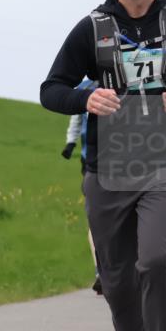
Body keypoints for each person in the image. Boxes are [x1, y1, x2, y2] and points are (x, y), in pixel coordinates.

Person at [40, 0, 166, 331]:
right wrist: (85, 96)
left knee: (156, 260)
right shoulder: (93, 27)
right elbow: (51, 89)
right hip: (108, 169)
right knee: (117, 280)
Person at [60, 78, 102, 295]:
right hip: (91, 162)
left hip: (130, 160)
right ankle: (100, 271)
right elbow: (76, 119)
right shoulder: (84, 88)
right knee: (94, 217)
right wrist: (70, 142)